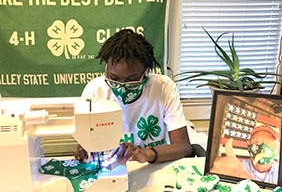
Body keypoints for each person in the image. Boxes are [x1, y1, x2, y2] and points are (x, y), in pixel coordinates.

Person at [74, 29, 193, 163]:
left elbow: (183, 147)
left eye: (132, 79)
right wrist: (84, 151)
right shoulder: (95, 90)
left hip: (152, 167)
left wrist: (146, 154)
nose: (122, 86)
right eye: (114, 78)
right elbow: (85, 142)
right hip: (110, 165)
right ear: (106, 68)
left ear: (146, 71)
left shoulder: (163, 87)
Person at [210, 125, 280, 184]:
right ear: (248, 144)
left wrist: (241, 175)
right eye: (256, 141)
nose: (262, 146)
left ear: (278, 148)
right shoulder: (237, 167)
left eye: (269, 142)